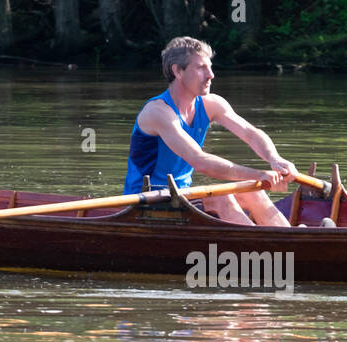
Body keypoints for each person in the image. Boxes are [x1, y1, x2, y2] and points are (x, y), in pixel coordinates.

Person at [125, 37, 296, 226]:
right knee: (222, 198)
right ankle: (262, 247)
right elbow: (200, 162)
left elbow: (250, 133)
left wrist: (274, 159)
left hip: (181, 195)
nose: (211, 75)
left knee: (252, 191)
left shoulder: (211, 104)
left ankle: (291, 241)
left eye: (210, 67)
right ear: (178, 71)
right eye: (200, 68)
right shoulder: (158, 112)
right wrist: (258, 175)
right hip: (146, 200)